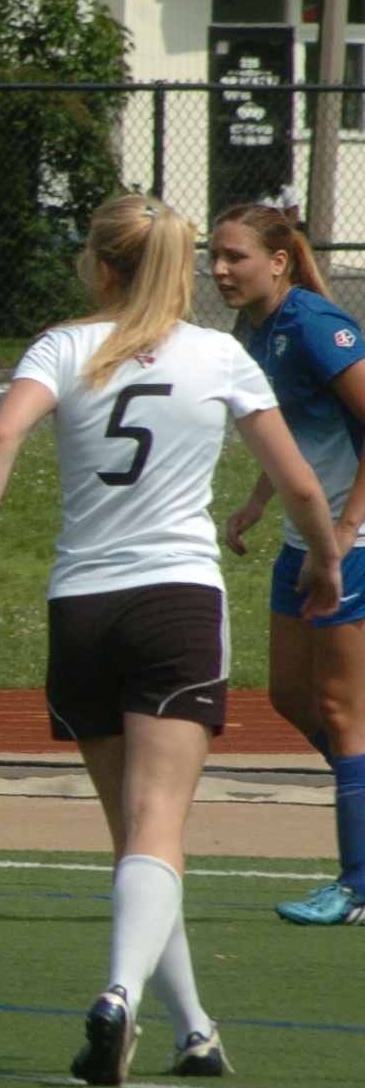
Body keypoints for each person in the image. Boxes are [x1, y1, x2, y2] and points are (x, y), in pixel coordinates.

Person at [0, 195, 339, 1085]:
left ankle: (194, 1029)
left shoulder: (61, 347)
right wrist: (326, 559)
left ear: (101, 266)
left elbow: (3, 431)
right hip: (174, 603)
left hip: (81, 608)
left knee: (137, 837)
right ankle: (120, 994)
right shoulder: (221, 355)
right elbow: (300, 484)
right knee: (158, 826)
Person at [213, 204, 365, 927]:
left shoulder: (314, 327)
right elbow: (289, 433)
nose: (219, 270)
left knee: (341, 711)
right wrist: (255, 500)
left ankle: (357, 886)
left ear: (278, 261)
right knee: (288, 694)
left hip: (353, 542)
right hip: (307, 538)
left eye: (234, 257)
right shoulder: (254, 330)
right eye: (214, 257)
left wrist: (345, 529)